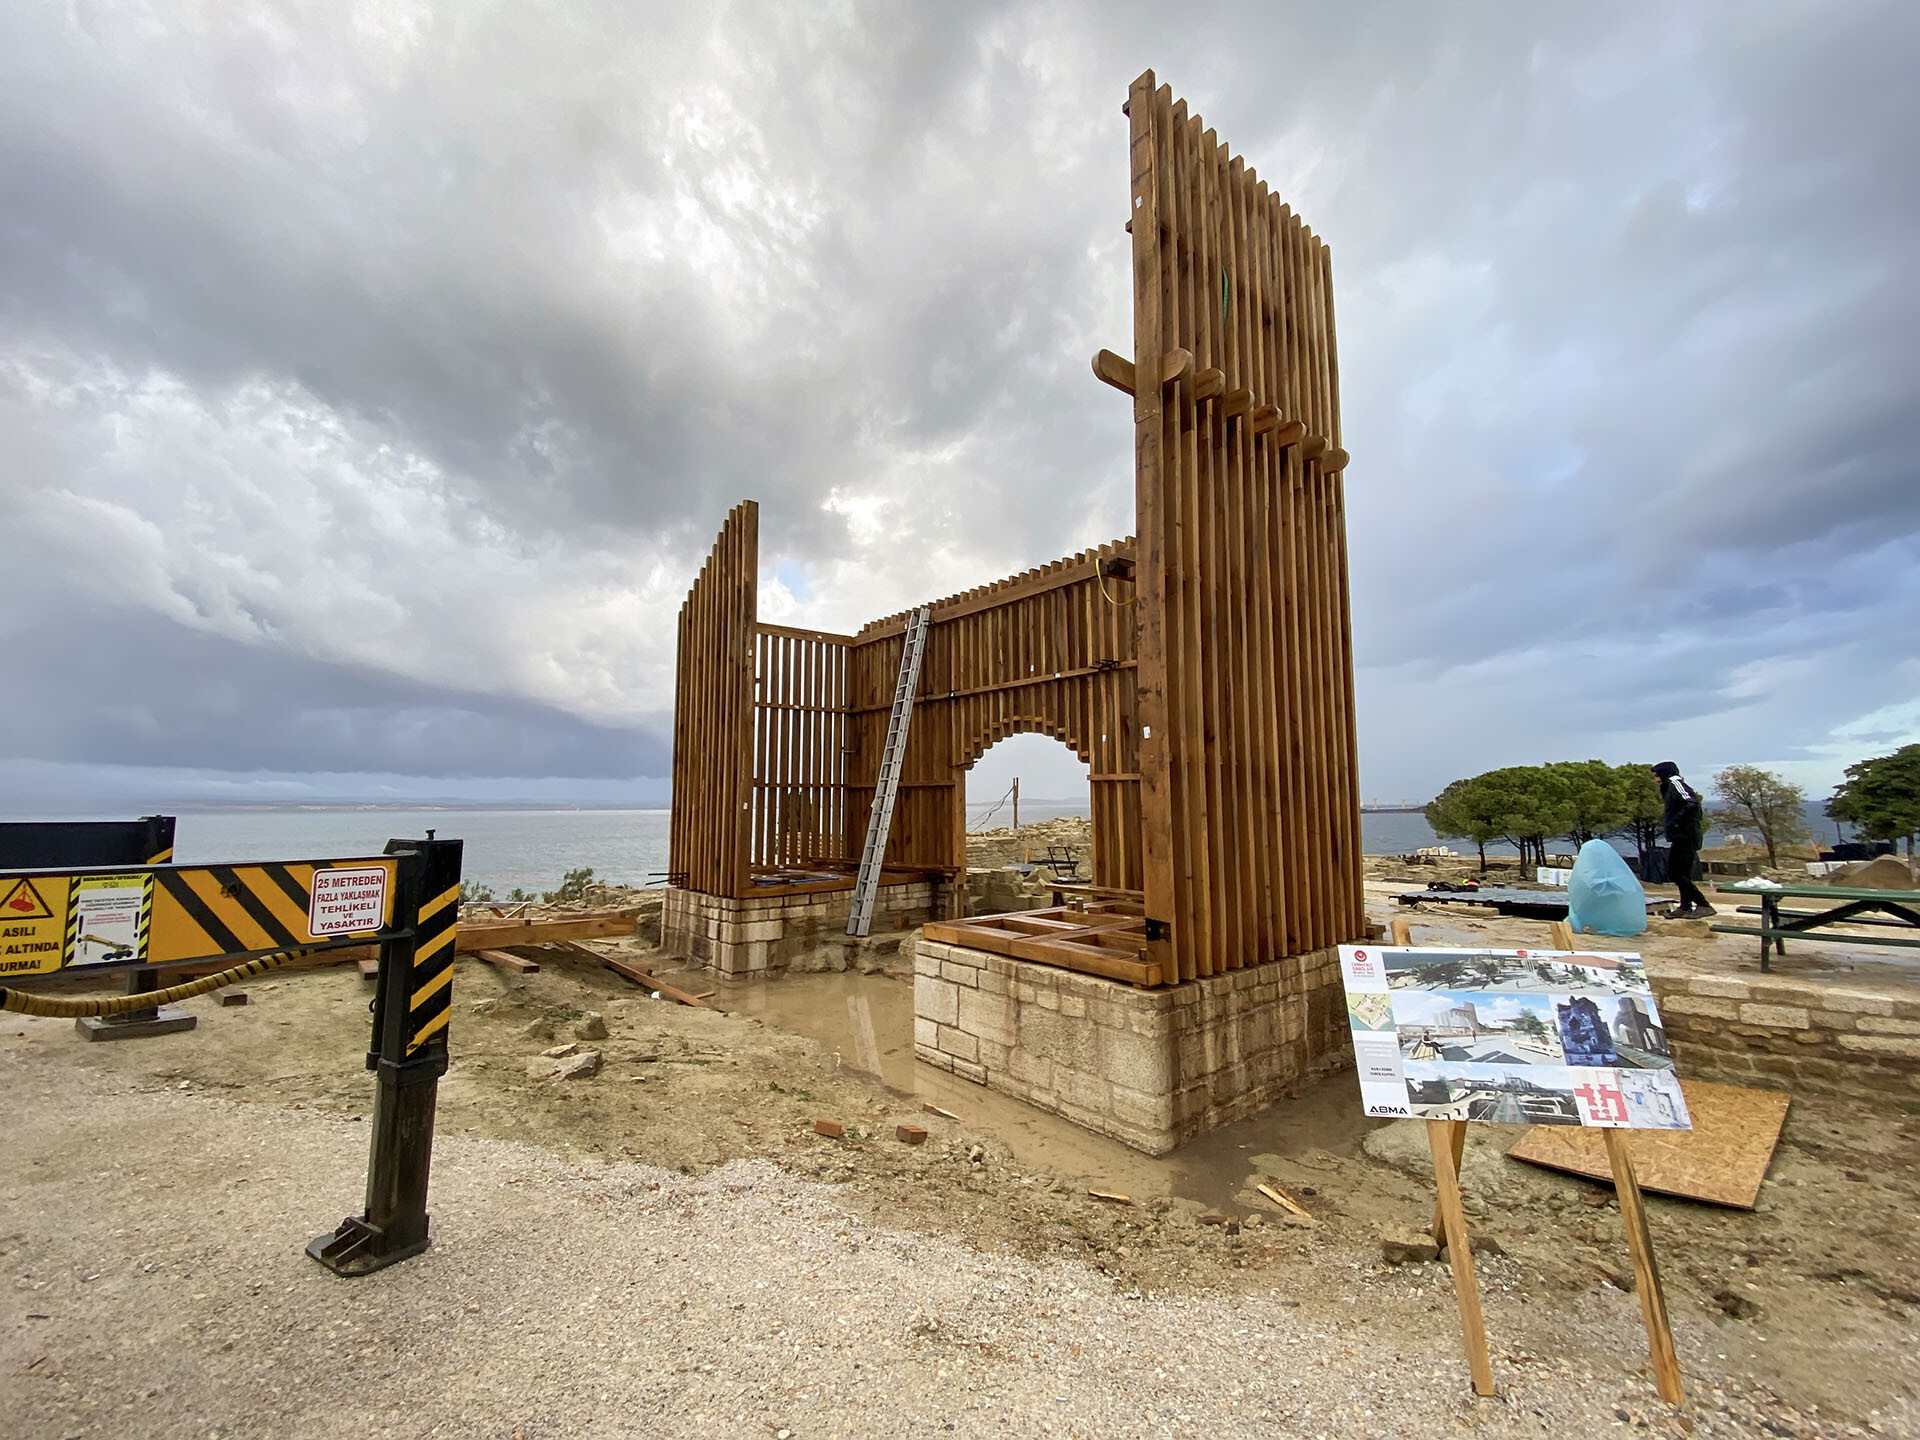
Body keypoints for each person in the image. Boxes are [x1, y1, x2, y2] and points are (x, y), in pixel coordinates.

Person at [1651, 761, 1714, 917]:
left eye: (1657, 776)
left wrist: (1676, 822)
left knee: (1675, 873)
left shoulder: (1675, 784)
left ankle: (1703, 904)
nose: (1656, 780)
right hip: (1682, 836)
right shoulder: (1669, 787)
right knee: (1681, 873)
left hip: (1686, 836)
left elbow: (1691, 803)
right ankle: (1685, 906)